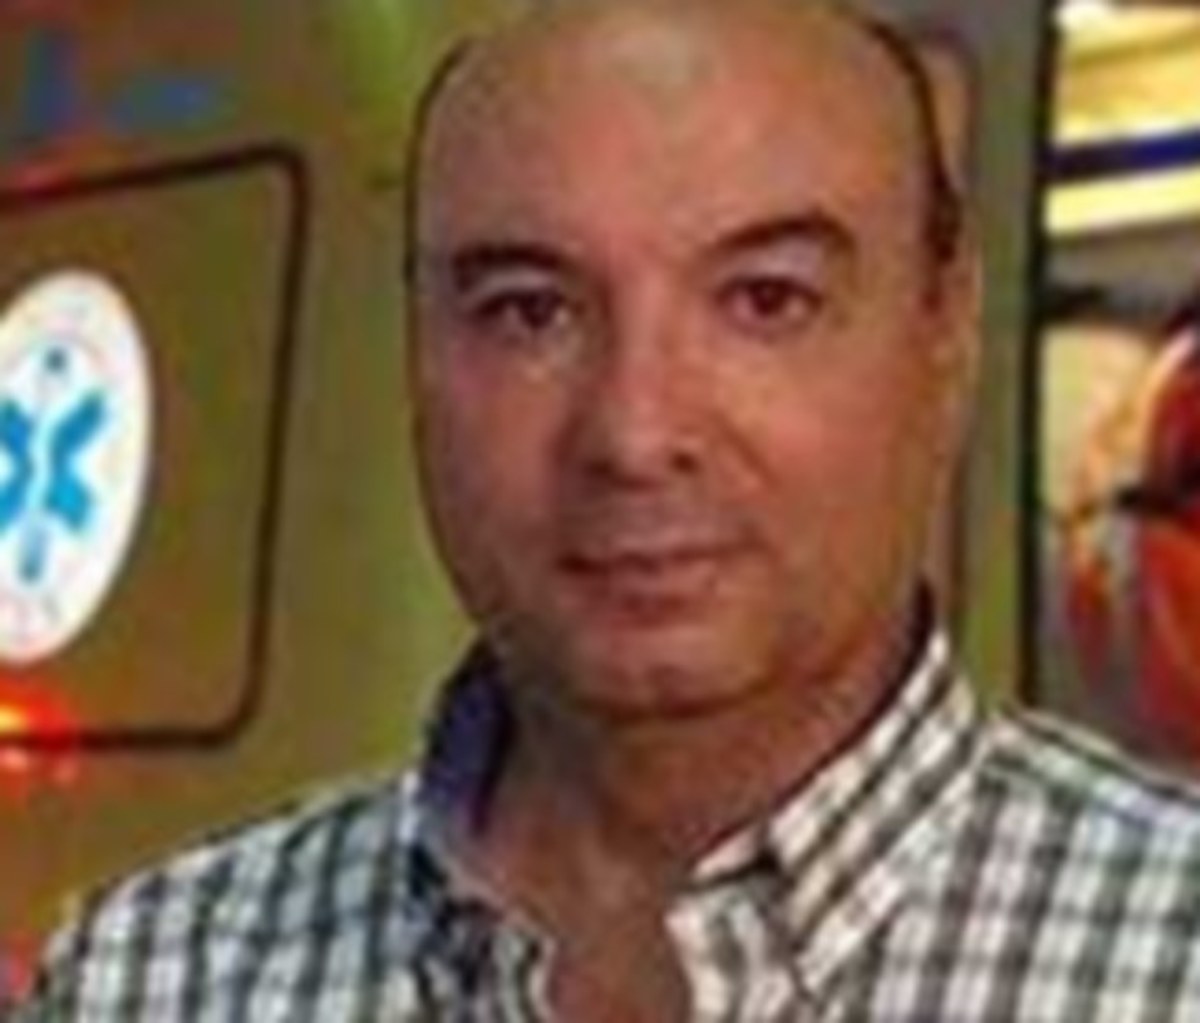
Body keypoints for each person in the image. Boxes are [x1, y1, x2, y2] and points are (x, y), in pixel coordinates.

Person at [15, 1, 1200, 1019]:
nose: (633, 434)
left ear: (946, 338)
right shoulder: (150, 976)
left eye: (766, 301)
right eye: (530, 311)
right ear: (415, 354)